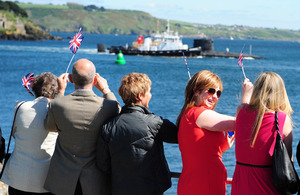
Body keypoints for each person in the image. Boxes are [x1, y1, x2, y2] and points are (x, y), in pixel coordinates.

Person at [44, 59, 120, 195]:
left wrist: (59, 93)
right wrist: (106, 90)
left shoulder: (57, 104)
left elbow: (49, 127)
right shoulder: (109, 106)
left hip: (63, 180)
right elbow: (119, 114)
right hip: (95, 181)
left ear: (71, 79)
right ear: (95, 79)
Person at [96, 72, 178, 195]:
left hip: (120, 189)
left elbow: (103, 164)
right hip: (151, 190)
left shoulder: (108, 126)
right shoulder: (155, 123)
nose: (150, 95)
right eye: (149, 92)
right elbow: (180, 136)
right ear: (140, 96)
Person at [176, 70, 251, 195]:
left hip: (200, 183)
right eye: (211, 91)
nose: (215, 96)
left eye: (218, 93)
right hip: (203, 185)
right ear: (196, 90)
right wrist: (247, 97)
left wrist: (222, 148)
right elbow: (242, 123)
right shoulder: (198, 114)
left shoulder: (188, 114)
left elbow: (199, 152)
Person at [231, 72, 293, 195]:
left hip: (240, 186)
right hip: (267, 187)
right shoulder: (281, 119)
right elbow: (288, 161)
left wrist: (247, 94)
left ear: (257, 90)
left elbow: (244, 109)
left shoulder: (241, 111)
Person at [0, 72, 58, 195]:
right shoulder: (57, 111)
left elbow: (15, 134)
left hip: (18, 178)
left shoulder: (20, 106)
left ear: (34, 90)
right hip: (46, 180)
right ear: (55, 91)